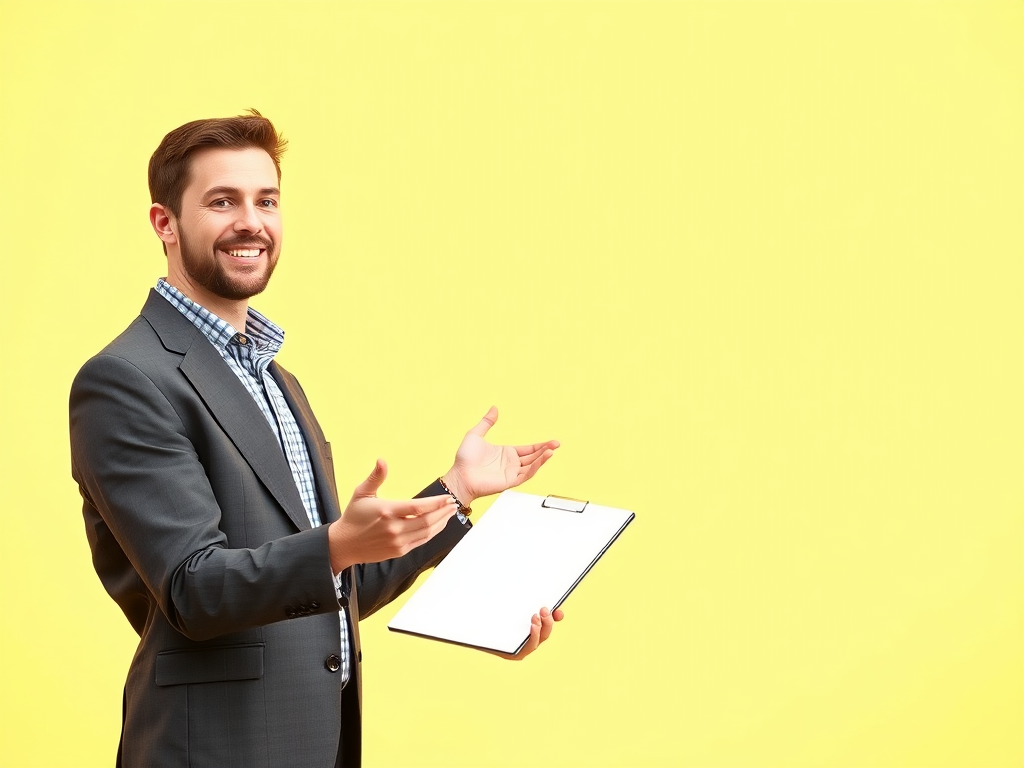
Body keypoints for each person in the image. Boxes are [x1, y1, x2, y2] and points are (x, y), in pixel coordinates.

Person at [69, 111, 562, 768]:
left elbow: (331, 584)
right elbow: (193, 587)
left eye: (266, 200)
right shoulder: (126, 380)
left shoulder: (279, 381)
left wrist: (455, 491)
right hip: (213, 752)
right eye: (223, 201)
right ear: (165, 223)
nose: (252, 221)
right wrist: (334, 544)